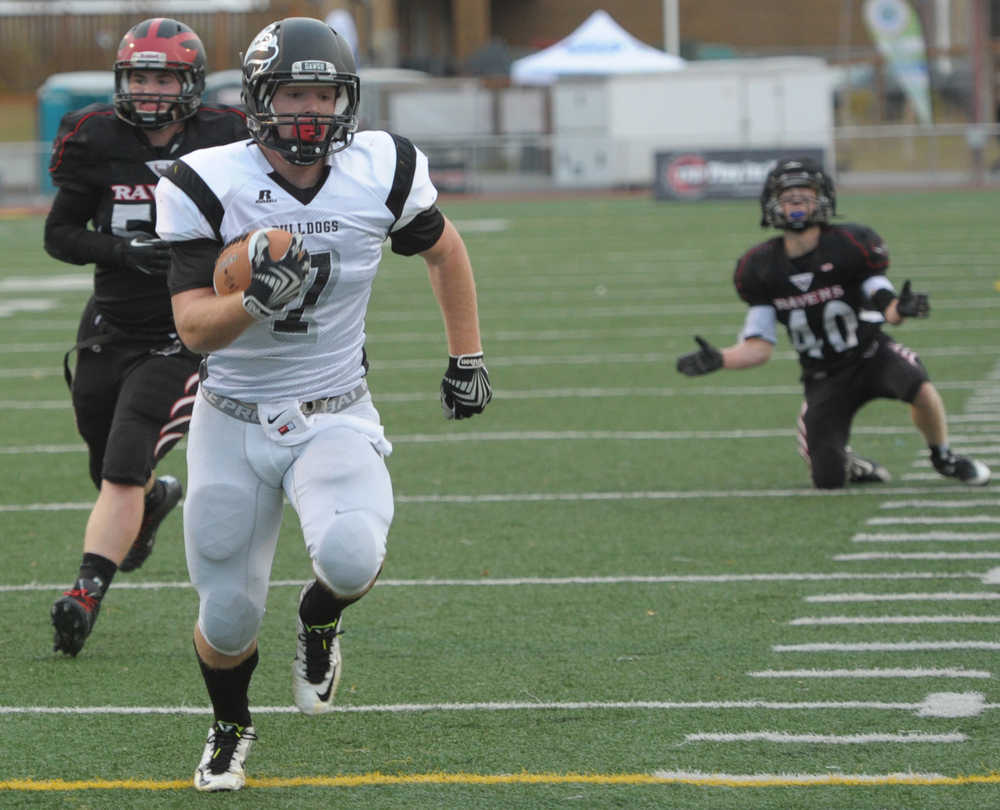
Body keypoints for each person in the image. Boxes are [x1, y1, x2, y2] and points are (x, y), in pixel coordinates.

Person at [153, 17, 492, 791]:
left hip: (334, 406)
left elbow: (444, 249)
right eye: (295, 94)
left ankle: (319, 619)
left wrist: (466, 355)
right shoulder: (208, 179)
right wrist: (253, 305)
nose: (311, 111)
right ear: (258, 99)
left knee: (350, 554)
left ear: (351, 100)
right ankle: (231, 725)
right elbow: (192, 328)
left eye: (325, 94)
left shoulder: (382, 167)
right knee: (228, 616)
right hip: (232, 418)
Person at [44, 18, 248, 657]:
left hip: (180, 330)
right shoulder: (96, 136)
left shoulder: (227, 138)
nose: (151, 89)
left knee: (123, 464)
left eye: (163, 77)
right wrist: (120, 250)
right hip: (109, 325)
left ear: (190, 83)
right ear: (121, 81)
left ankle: (85, 592)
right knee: (106, 461)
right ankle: (156, 501)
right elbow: (59, 235)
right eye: (140, 76)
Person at [675, 156, 990, 490]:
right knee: (827, 481)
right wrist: (721, 358)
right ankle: (853, 463)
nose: (796, 203)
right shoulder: (760, 267)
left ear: (822, 199)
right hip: (823, 377)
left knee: (919, 386)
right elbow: (759, 348)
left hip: (871, 355)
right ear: (772, 204)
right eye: (787, 196)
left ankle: (944, 457)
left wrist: (902, 308)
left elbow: (886, 304)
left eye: (805, 195)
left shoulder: (849, 245)